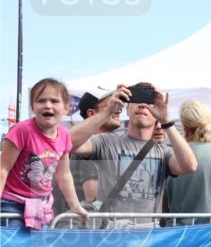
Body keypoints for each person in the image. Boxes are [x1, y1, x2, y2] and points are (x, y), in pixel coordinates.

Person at [73, 82, 198, 227]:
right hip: (111, 237)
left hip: (147, 237)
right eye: (137, 99)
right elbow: (67, 143)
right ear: (127, 108)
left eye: (150, 102)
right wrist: (107, 111)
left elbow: (190, 165)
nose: (142, 105)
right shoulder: (106, 142)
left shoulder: (163, 151)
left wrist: (166, 121)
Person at [0, 78, 94, 228]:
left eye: (54, 101)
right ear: (32, 107)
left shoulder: (64, 135)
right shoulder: (21, 130)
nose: (47, 105)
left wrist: (75, 205)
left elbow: (63, 174)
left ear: (66, 108)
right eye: (41, 101)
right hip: (12, 203)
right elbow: (3, 169)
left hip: (41, 204)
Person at [53, 88, 122, 215]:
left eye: (119, 105)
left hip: (69, 226)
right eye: (111, 105)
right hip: (81, 229)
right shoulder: (90, 151)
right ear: (91, 113)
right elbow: (92, 198)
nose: (117, 110)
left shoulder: (85, 148)